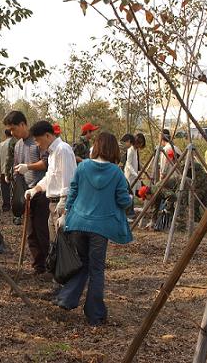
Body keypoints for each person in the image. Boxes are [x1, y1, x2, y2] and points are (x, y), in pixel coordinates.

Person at [53, 132, 133, 325]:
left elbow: (73, 192)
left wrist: (65, 214)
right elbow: (123, 200)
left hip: (78, 222)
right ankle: (95, 315)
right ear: (114, 149)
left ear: (95, 147)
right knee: (96, 269)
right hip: (100, 228)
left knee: (82, 262)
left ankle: (66, 298)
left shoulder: (83, 167)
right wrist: (130, 199)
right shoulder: (116, 172)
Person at [3, 110, 50, 274]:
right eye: (10, 130)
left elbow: (46, 163)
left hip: (41, 190)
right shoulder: (17, 145)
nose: (12, 132)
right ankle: (38, 266)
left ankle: (49, 263)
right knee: (30, 231)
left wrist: (28, 167)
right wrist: (14, 175)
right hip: (26, 192)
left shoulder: (37, 141)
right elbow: (17, 165)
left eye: (14, 128)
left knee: (41, 229)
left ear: (23, 124)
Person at [25, 121, 77, 243]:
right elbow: (49, 178)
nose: (37, 144)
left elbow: (68, 180)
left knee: (64, 248)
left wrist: (65, 211)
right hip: (53, 204)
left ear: (47, 135)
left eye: (38, 140)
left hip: (61, 204)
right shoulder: (52, 153)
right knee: (54, 245)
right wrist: (35, 189)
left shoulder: (62, 150)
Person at [0, 129, 16, 212]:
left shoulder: (2, 144)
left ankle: (6, 206)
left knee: (4, 188)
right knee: (15, 188)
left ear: (5, 134)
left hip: (4, 170)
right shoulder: (17, 143)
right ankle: (16, 205)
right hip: (15, 170)